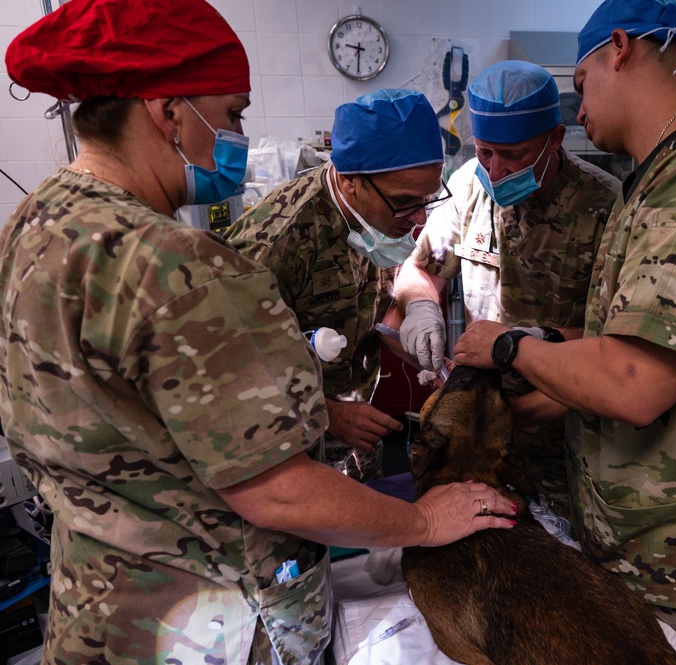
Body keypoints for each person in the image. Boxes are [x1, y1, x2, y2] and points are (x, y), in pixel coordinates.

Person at [0, 1, 515, 662]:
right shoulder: (178, 265)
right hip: (208, 619)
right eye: (235, 113)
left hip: (104, 603)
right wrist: (421, 521)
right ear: (169, 112)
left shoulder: (35, 222)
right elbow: (275, 489)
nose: (239, 134)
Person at [451, 2, 676, 664]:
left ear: (619, 48)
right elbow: (618, 341)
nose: (577, 109)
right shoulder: (651, 185)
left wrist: (506, 344)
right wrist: (544, 361)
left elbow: (633, 383)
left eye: (580, 84)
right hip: (639, 544)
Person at [393, 60, 620, 518]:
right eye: (485, 151)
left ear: (554, 140)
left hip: (570, 437)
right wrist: (421, 308)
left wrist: (527, 408)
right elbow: (420, 270)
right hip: (482, 429)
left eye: (513, 154)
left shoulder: (605, 207)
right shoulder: (467, 190)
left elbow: (613, 344)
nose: (495, 170)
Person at [225, 89, 449, 484]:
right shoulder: (275, 244)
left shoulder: (374, 221)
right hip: (286, 446)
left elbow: (363, 310)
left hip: (356, 425)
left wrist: (412, 336)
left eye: (426, 200)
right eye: (404, 202)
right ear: (349, 182)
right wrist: (327, 415)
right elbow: (231, 369)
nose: (417, 218)